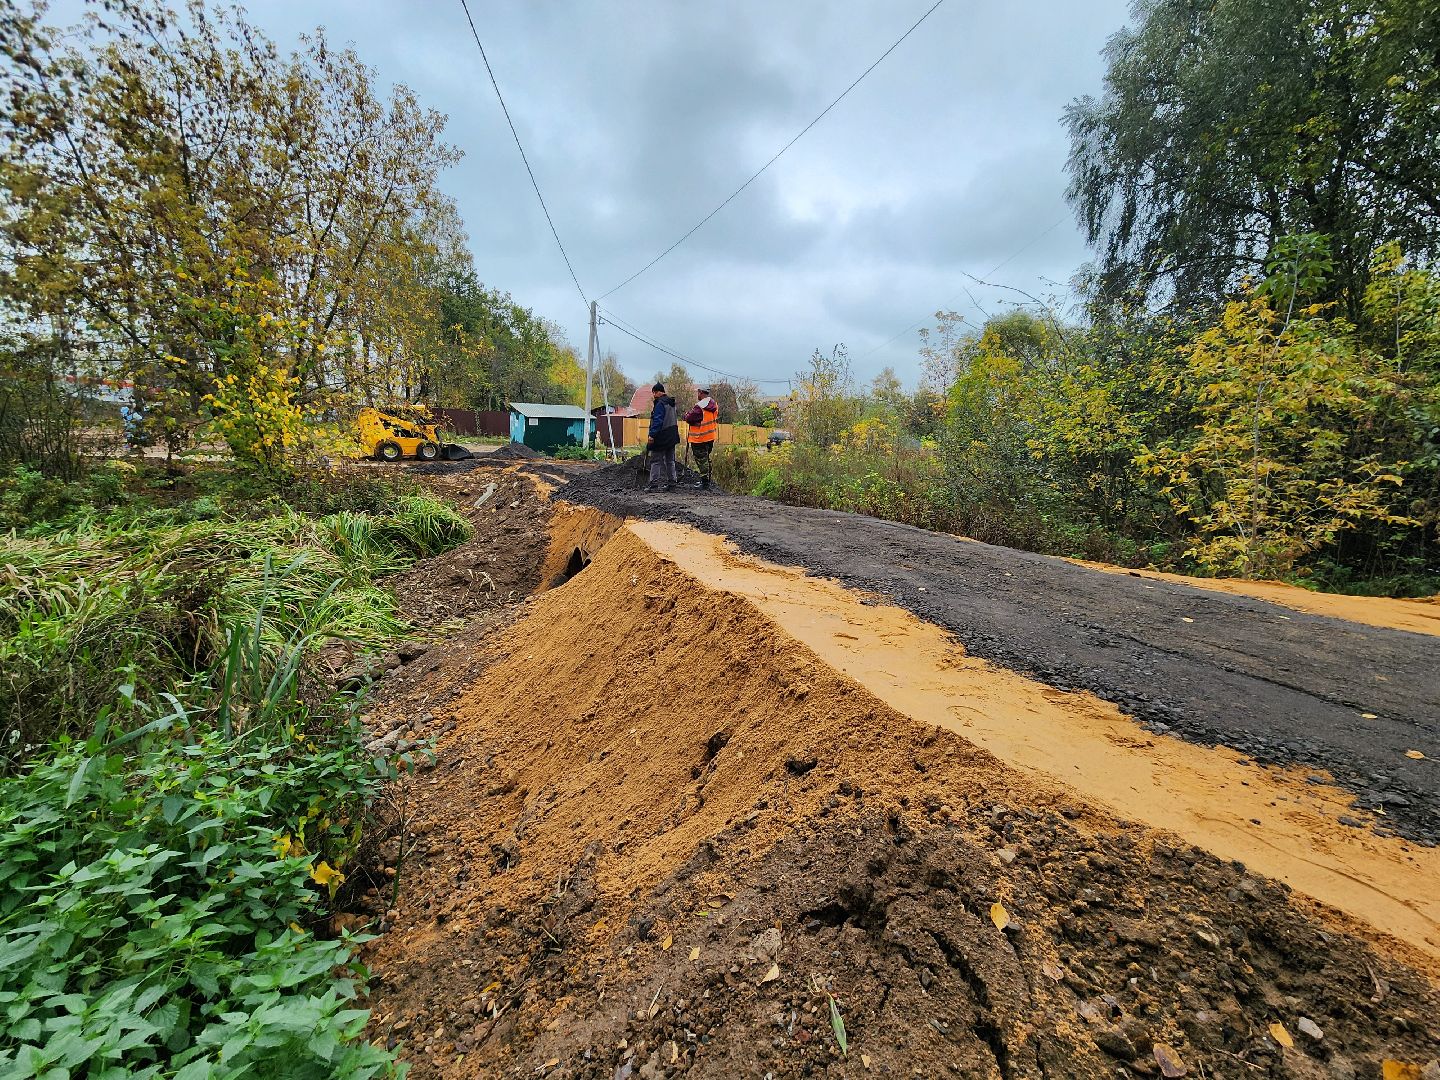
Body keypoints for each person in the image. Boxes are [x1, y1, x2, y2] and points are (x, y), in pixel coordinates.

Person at [683, 386, 719, 489]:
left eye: (698, 393)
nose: (697, 395)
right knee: (706, 459)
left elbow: (689, 418)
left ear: (700, 393)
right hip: (710, 437)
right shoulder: (714, 404)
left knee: (701, 460)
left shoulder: (699, 407)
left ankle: (705, 483)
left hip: (699, 438)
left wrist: (686, 415)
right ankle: (707, 481)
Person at [645, 382, 679, 491]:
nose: (654, 395)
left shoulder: (660, 404)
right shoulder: (671, 403)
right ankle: (672, 483)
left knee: (655, 460)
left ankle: (654, 485)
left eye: (654, 393)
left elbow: (658, 421)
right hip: (672, 435)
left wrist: (652, 435)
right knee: (670, 460)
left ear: (659, 392)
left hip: (662, 436)